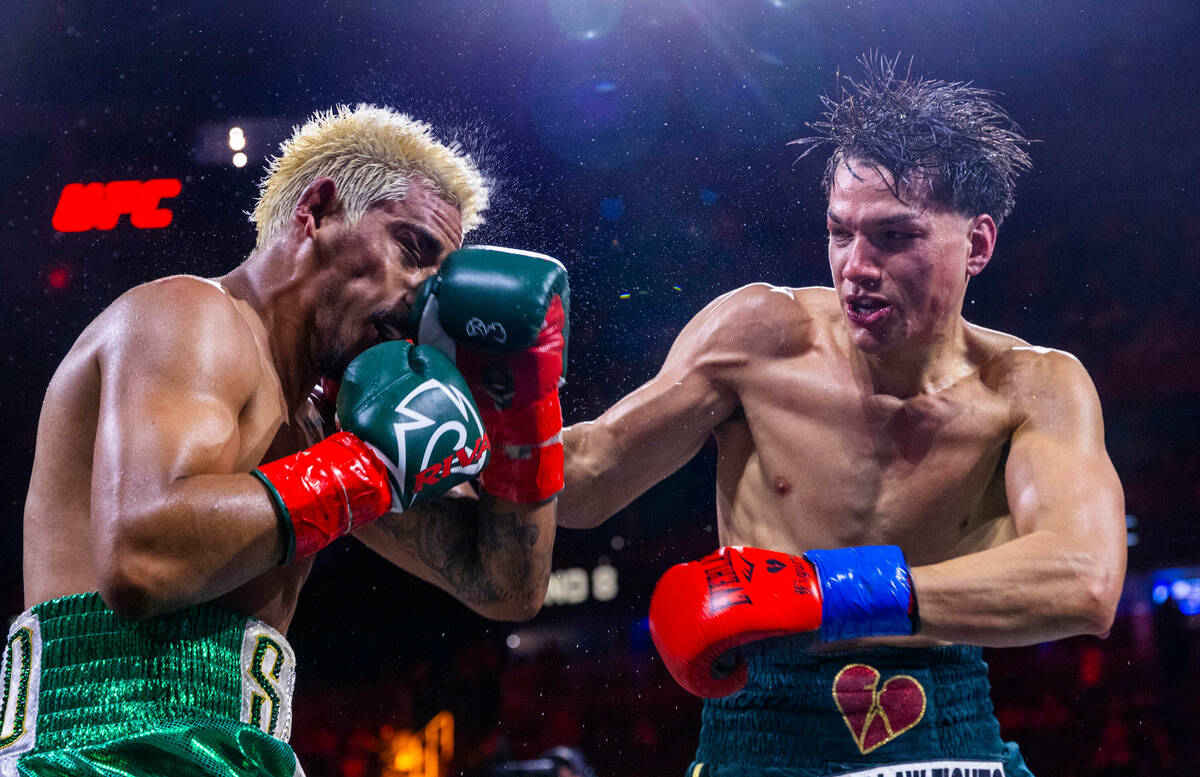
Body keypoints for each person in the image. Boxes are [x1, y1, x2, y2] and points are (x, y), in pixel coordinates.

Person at [558, 56, 1126, 777]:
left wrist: (822, 590)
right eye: (839, 233)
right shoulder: (760, 334)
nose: (856, 264)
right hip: (760, 725)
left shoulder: (1033, 386)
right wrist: (494, 425)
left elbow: (1085, 579)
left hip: (945, 723)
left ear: (977, 244)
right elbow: (590, 476)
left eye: (894, 237)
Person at [9, 104, 569, 776]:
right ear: (318, 210)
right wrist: (367, 467)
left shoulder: (325, 425)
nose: (426, 301)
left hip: (246, 751)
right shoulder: (190, 315)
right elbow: (142, 559)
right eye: (412, 249)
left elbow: (504, 586)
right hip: (106, 750)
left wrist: (524, 410)